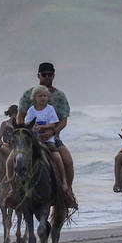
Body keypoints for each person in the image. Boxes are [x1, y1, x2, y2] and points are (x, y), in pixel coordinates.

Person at [16, 62, 74, 191]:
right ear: (38, 75)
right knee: (11, 159)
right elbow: (20, 117)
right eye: (44, 74)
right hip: (30, 138)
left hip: (52, 138)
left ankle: (67, 191)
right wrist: (26, 132)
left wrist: (52, 133)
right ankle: (11, 190)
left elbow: (63, 121)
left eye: (50, 74)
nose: (47, 77)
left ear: (53, 76)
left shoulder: (60, 96)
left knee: (68, 161)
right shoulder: (28, 94)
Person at [22, 85, 77, 208]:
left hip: (48, 140)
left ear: (48, 98)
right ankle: (16, 185)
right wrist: (33, 128)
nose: (42, 98)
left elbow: (54, 123)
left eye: (45, 96)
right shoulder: (31, 110)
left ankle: (63, 182)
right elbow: (27, 123)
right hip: (34, 140)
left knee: (57, 157)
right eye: (40, 96)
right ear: (34, 98)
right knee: (20, 157)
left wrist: (43, 128)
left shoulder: (50, 109)